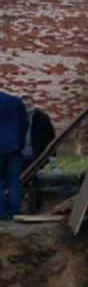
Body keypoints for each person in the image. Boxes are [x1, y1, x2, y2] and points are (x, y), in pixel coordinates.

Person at [0, 89, 29, 221]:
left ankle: (1, 214)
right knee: (13, 181)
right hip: (14, 147)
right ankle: (14, 213)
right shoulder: (15, 101)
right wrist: (20, 141)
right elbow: (25, 124)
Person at [21, 95, 56, 170]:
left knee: (36, 175)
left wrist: (52, 154)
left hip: (37, 153)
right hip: (22, 154)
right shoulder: (17, 117)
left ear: (33, 104)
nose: (26, 107)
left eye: (29, 105)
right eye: (24, 105)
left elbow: (50, 135)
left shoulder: (41, 117)